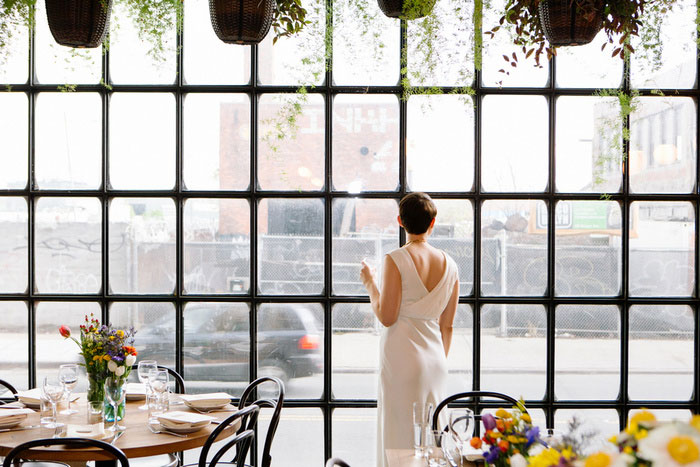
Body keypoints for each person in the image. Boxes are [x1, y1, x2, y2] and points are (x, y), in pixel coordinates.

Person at [360, 192, 459, 467]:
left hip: (402, 359)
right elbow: (447, 325)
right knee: (434, 440)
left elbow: (387, 316)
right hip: (437, 361)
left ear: (400, 221)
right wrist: (439, 360)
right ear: (433, 222)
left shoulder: (396, 259)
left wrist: (370, 283)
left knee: (401, 436)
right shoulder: (451, 265)